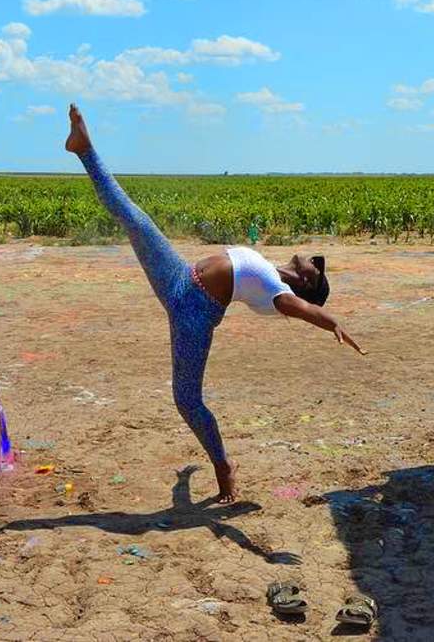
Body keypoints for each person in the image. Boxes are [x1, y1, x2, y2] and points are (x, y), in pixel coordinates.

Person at [65, 104, 365, 502]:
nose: (313, 258)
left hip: (193, 314)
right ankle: (84, 149)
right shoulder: (270, 267)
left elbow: (304, 310)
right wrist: (182, 483)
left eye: (317, 266)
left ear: (309, 281)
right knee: (135, 219)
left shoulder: (280, 293)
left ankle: (223, 466)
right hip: (179, 276)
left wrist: (332, 323)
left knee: (186, 399)